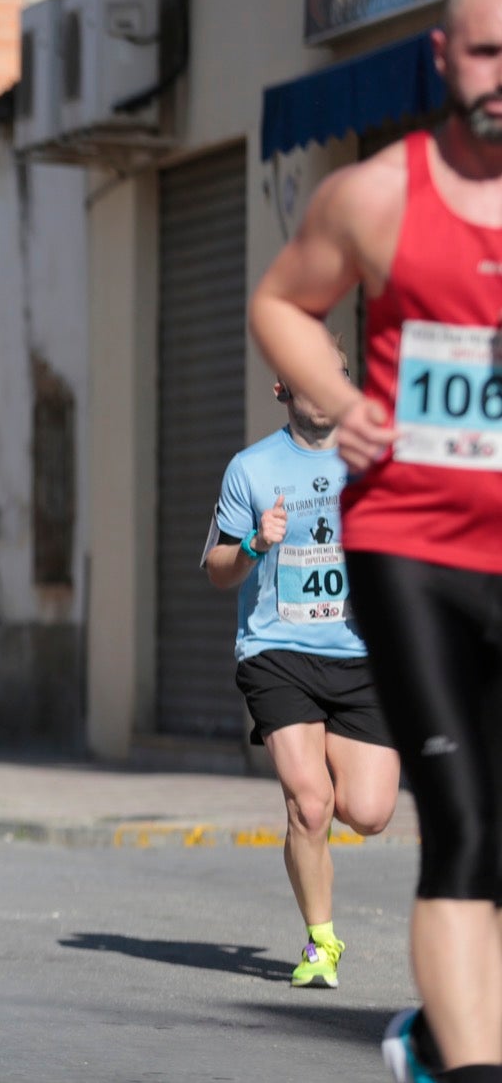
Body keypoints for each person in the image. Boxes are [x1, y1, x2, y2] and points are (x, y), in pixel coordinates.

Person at [247, 0, 502, 1083]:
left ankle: (446, 1035)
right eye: (489, 53)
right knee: (466, 822)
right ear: (446, 60)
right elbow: (279, 300)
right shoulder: (379, 194)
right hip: (414, 546)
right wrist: (346, 405)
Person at [201, 359, 399, 989]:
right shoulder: (251, 469)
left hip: (362, 653)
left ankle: (326, 805)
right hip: (276, 651)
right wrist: (257, 544)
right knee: (310, 806)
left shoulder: (377, 463)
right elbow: (217, 567)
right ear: (283, 390)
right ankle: (321, 941)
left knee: (367, 813)